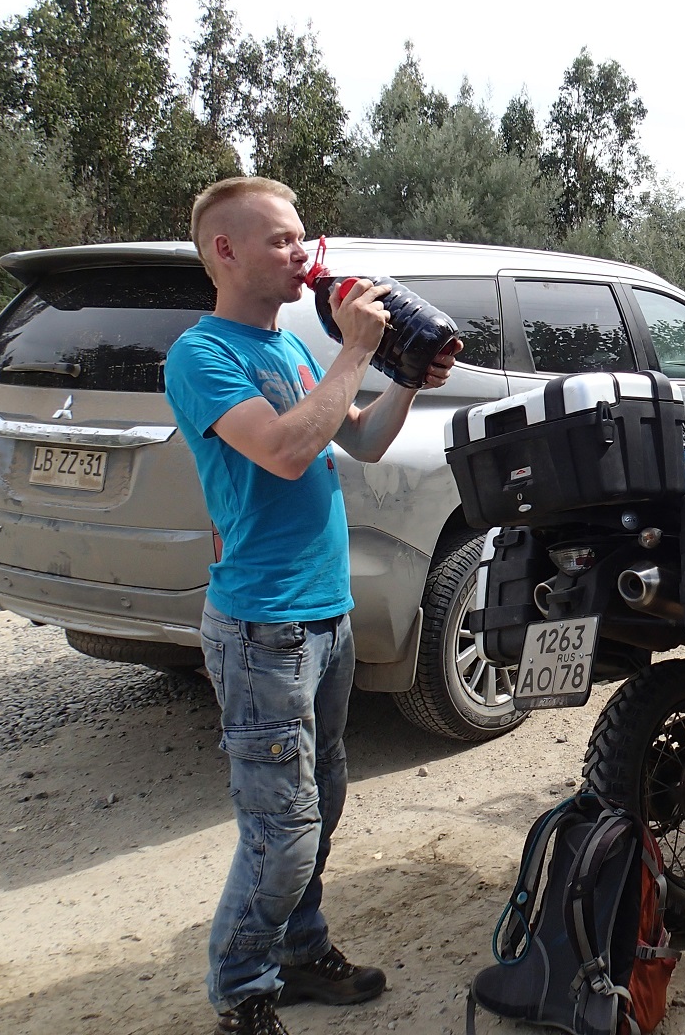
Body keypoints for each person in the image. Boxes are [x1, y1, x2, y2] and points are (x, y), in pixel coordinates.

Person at [165, 176, 459, 1035]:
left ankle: (299, 950)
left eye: (303, 237)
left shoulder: (290, 349)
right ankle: (242, 994)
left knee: (321, 803)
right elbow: (286, 451)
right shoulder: (202, 355)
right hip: (264, 627)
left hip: (324, 617)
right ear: (226, 251)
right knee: (283, 828)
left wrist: (407, 376)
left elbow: (360, 439)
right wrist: (356, 351)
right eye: (282, 240)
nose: (304, 254)